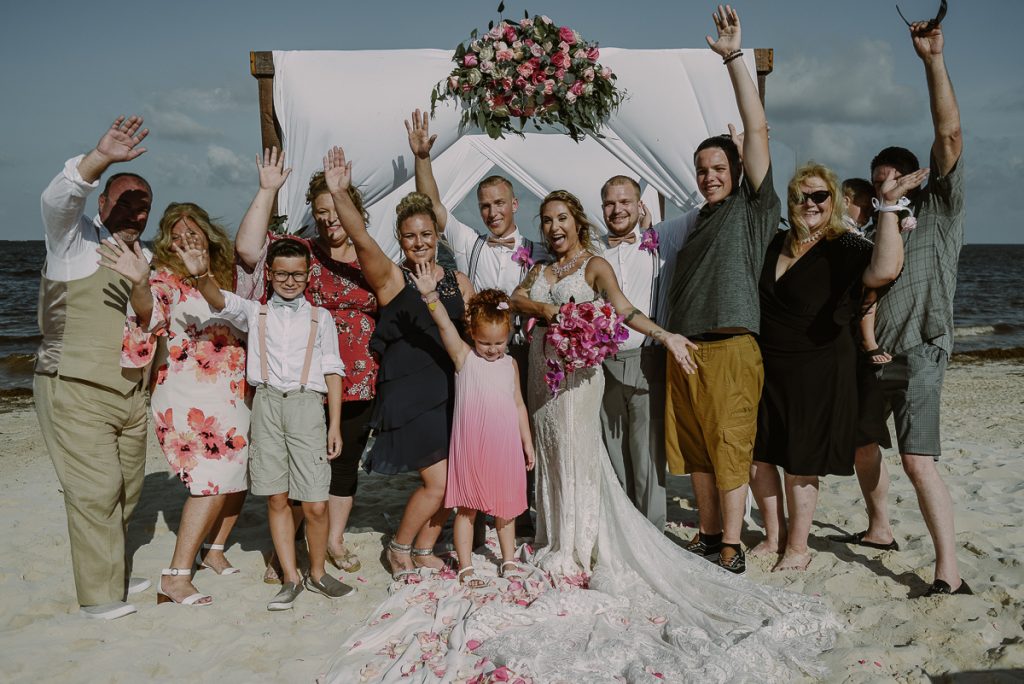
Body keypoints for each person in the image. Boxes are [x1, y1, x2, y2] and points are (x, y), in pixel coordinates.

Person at [832, 16, 970, 597]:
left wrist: (931, 61)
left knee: (917, 460)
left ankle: (948, 569)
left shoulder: (939, 208)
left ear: (914, 180)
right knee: (865, 446)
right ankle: (880, 527)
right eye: (877, 185)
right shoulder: (867, 233)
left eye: (894, 183)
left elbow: (950, 134)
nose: (886, 192)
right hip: (873, 355)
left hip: (921, 346)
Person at [512, 189, 698, 576]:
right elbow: (517, 298)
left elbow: (625, 309)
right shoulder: (541, 269)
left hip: (577, 379)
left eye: (561, 218)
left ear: (577, 221)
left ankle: (579, 542)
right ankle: (554, 537)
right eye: (547, 220)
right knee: (550, 452)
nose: (554, 227)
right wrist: (546, 309)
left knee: (576, 449)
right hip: (541, 377)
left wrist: (666, 336)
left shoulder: (595, 266)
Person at [748, 162, 915, 572]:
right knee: (759, 454)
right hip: (767, 364)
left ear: (834, 200)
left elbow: (885, 270)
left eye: (819, 196)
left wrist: (890, 208)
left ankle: (799, 547)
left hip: (819, 365)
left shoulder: (847, 247)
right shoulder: (773, 243)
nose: (810, 203)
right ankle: (773, 536)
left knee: (802, 456)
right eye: (801, 196)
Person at [321, 145, 474, 579]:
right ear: (401, 239)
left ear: (438, 235)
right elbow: (362, 239)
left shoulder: (459, 281)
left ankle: (426, 547)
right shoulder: (392, 278)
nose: (419, 242)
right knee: (438, 482)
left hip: (452, 390)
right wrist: (338, 194)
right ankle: (399, 546)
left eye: (426, 234)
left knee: (455, 480)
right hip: (410, 395)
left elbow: (479, 332)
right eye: (410, 236)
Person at [662, 5, 777, 574]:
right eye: (702, 168)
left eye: (719, 167)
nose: (710, 175)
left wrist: (735, 59)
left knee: (731, 450)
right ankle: (709, 535)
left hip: (732, 347)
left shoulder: (752, 211)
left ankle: (731, 546)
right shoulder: (697, 220)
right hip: (687, 350)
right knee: (697, 453)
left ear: (736, 170)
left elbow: (756, 131)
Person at [183, 236, 354, 610]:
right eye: (281, 274)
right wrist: (201, 275)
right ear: (270, 274)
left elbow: (333, 372)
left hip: (307, 407)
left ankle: (319, 572)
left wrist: (334, 424)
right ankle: (291, 577)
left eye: (296, 274)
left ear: (308, 276)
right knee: (277, 496)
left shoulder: (320, 317)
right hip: (267, 405)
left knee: (315, 502)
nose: (289, 281)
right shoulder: (255, 312)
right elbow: (219, 299)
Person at [236, 148, 378, 576]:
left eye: (336, 208)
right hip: (302, 379)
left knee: (343, 464)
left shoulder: (371, 255)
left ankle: (333, 541)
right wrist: (267, 190)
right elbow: (247, 250)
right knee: (299, 469)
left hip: (359, 378)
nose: (329, 218)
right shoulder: (304, 252)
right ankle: (289, 549)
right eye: (321, 211)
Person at [34, 115, 154, 619]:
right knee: (94, 490)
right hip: (75, 388)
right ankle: (99, 595)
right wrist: (100, 158)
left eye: (142, 205)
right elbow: (56, 201)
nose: (134, 211)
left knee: (128, 488)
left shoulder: (143, 254)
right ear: (101, 204)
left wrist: (144, 282)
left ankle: (113, 566)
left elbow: (152, 320)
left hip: (130, 394)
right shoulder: (72, 240)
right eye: (123, 200)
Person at [104, 203, 251, 605]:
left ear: (207, 234)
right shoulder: (163, 279)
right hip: (189, 394)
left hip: (231, 391)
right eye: (176, 233)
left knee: (236, 473)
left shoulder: (221, 275)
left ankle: (214, 550)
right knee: (208, 479)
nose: (185, 239)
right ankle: (176, 575)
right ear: (166, 240)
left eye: (193, 232)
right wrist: (138, 285)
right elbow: (150, 312)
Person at [409, 110, 542, 540]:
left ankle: (521, 513)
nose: (491, 211)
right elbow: (433, 208)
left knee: (526, 435)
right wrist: (423, 158)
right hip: (481, 357)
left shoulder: (538, 250)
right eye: (485, 205)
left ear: (515, 204)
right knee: (482, 436)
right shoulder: (471, 245)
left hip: (526, 352)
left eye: (499, 203)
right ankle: (482, 511)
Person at [407, 273, 535, 587]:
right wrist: (430, 297)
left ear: (508, 335)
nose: (492, 350)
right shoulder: (465, 358)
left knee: (506, 510)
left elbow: (518, 403)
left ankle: (507, 560)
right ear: (472, 335)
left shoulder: (511, 365)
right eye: (484, 342)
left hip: (505, 448)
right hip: (472, 447)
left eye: (499, 343)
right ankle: (465, 566)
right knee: (467, 510)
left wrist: (527, 443)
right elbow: (445, 328)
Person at [598, 176, 697, 528]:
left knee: (648, 459)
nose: (617, 209)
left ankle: (652, 533)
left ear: (640, 206)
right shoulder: (595, 252)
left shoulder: (662, 239)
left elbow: (703, 206)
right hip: (602, 367)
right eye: (610, 203)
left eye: (625, 201)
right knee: (613, 457)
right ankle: (623, 533)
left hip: (648, 360)